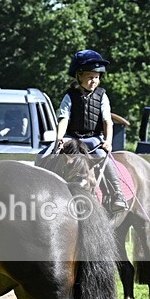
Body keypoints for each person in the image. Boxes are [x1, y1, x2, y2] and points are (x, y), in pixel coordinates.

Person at [55, 49, 128, 212]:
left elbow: (107, 121)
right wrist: (59, 138)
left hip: (93, 139)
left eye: (96, 77)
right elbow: (64, 118)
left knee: (103, 157)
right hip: (71, 138)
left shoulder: (102, 96)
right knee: (46, 153)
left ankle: (117, 194)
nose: (94, 81)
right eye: (90, 77)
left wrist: (108, 141)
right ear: (79, 76)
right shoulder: (70, 96)